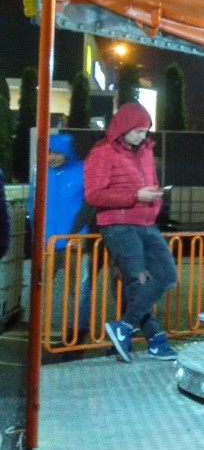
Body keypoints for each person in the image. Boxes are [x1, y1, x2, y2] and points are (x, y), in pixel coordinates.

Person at [83, 103, 178, 362]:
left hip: (145, 223)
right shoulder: (103, 152)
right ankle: (155, 339)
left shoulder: (145, 151)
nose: (142, 136)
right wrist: (136, 196)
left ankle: (124, 326)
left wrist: (153, 200)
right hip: (118, 224)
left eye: (145, 131)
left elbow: (151, 182)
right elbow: (94, 194)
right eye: (138, 131)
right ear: (123, 128)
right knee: (138, 282)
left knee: (167, 274)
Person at [27, 134, 92, 339]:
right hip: (47, 243)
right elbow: (32, 203)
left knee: (78, 288)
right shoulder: (41, 173)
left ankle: (79, 328)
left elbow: (90, 205)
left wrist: (82, 234)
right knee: (40, 285)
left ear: (68, 152)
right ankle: (37, 325)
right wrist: (36, 233)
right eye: (48, 153)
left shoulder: (83, 170)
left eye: (56, 153)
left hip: (75, 243)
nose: (51, 157)